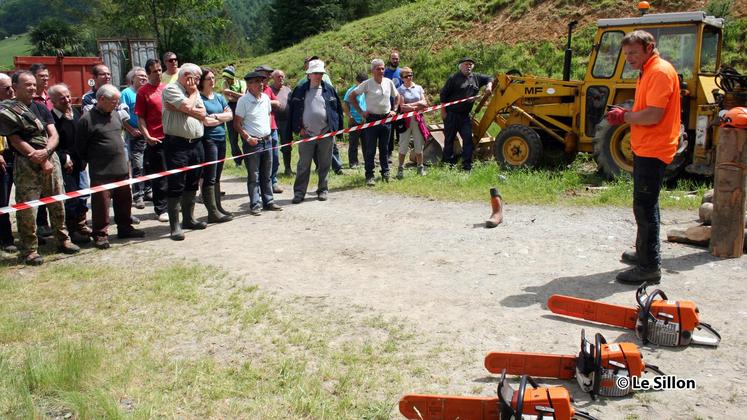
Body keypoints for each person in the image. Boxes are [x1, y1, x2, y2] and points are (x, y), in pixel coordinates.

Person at [609, 30, 681, 285]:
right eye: (626, 54)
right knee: (645, 204)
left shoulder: (659, 72)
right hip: (646, 146)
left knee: (645, 206)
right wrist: (626, 112)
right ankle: (644, 253)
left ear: (649, 48)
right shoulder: (647, 71)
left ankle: (649, 266)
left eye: (634, 53)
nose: (629, 58)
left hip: (654, 147)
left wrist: (625, 117)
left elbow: (653, 115)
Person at [0, 71, 80, 265]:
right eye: (27, 85)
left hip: (50, 159)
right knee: (28, 208)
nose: (32, 88)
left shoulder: (41, 108)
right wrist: (35, 156)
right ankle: (29, 250)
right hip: (26, 163)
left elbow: (54, 134)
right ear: (15, 87)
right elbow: (15, 139)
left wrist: (46, 152)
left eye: (33, 84)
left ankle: (62, 240)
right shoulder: (7, 110)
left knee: (57, 200)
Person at [76, 84, 145, 249]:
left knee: (124, 201)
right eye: (113, 101)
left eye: (117, 101)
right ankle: (100, 234)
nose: (116, 104)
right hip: (101, 171)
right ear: (101, 99)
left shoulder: (115, 115)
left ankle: (125, 228)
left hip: (121, 169)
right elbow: (80, 147)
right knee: (101, 205)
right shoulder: (86, 119)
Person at [161, 63, 208, 240]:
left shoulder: (191, 92)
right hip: (177, 144)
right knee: (176, 184)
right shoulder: (171, 89)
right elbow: (188, 107)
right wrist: (193, 95)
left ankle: (189, 219)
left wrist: (188, 105)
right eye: (197, 78)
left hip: (196, 144)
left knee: (192, 182)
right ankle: (175, 225)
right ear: (187, 75)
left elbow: (203, 113)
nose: (197, 82)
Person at [286, 59, 343, 204]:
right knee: (303, 165)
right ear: (309, 74)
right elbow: (292, 112)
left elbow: (337, 110)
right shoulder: (300, 90)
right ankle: (299, 193)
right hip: (307, 135)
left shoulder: (329, 89)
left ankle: (322, 189)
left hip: (326, 133)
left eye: (321, 73)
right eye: (316, 73)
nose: (318, 76)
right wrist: (298, 129)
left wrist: (336, 129)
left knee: (325, 164)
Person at [234, 71, 282, 216]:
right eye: (257, 81)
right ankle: (255, 204)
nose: (261, 84)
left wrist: (266, 132)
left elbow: (268, 115)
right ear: (249, 84)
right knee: (253, 175)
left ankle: (269, 201)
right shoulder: (243, 101)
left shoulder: (266, 98)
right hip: (252, 143)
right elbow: (237, 124)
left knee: (266, 174)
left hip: (267, 140)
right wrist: (247, 137)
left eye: (262, 81)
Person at [49, 83, 91, 244]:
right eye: (62, 98)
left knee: (83, 195)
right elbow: (52, 144)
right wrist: (64, 157)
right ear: (52, 100)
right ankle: (72, 230)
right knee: (71, 198)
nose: (67, 100)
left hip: (80, 162)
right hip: (65, 165)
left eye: (68, 96)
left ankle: (81, 225)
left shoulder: (75, 112)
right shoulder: (52, 119)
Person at [349, 58, 400, 186]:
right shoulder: (367, 83)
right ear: (372, 70)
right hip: (372, 120)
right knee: (370, 149)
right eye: (378, 69)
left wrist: (394, 109)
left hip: (386, 119)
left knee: (385, 148)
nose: (381, 71)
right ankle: (369, 175)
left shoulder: (389, 82)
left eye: (383, 68)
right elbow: (352, 96)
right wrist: (361, 112)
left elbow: (398, 96)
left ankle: (385, 173)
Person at [439, 57, 493, 171]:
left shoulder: (476, 77)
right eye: (466, 64)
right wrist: (443, 111)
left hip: (465, 116)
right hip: (451, 114)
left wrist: (489, 85)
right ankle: (448, 165)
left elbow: (490, 77)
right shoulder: (453, 78)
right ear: (460, 66)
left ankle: (466, 166)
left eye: (471, 64)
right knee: (449, 140)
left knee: (468, 140)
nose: (468, 66)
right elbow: (443, 94)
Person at [135, 58, 169, 222]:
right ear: (148, 73)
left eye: (160, 70)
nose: (158, 73)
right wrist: (147, 136)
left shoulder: (166, 89)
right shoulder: (143, 92)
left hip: (171, 137)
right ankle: (160, 208)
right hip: (155, 139)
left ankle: (172, 205)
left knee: (172, 174)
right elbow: (140, 118)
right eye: (155, 71)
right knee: (160, 176)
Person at [198, 67, 233, 223]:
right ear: (202, 81)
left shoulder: (219, 97)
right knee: (210, 176)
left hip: (221, 139)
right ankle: (212, 212)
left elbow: (230, 115)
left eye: (213, 78)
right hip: (208, 140)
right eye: (209, 78)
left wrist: (217, 116)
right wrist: (220, 118)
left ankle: (218, 207)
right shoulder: (199, 99)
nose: (212, 80)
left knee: (217, 175)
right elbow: (205, 121)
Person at [121, 66, 148, 209]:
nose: (144, 78)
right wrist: (131, 130)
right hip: (135, 135)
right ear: (132, 79)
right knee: (138, 165)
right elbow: (122, 115)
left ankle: (148, 191)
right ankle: (138, 195)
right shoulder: (126, 93)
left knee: (149, 164)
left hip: (148, 134)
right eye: (141, 76)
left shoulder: (146, 91)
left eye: (145, 76)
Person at [255, 65, 283, 193]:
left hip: (272, 127)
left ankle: (273, 181)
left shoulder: (268, 90)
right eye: (265, 75)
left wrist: (265, 102)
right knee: (262, 159)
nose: (267, 77)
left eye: (268, 75)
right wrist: (267, 102)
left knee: (275, 157)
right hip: (259, 130)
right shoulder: (252, 90)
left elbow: (277, 103)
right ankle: (262, 185)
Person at [396, 67, 429, 178]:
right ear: (402, 78)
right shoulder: (400, 90)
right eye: (406, 76)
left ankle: (420, 167)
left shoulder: (418, 88)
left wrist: (411, 105)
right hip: (405, 122)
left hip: (418, 120)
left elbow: (425, 103)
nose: (409, 77)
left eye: (410, 75)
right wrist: (417, 105)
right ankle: (400, 168)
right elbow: (403, 108)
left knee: (419, 144)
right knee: (403, 145)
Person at [0, 73, 16, 252]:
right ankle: (6, 238)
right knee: (2, 200)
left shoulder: (10, 107)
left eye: (12, 86)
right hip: (1, 159)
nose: (11, 91)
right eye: (6, 88)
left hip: (12, 156)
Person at [270, 69, 293, 175]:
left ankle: (288, 168)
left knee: (287, 146)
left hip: (286, 122)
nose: (281, 78)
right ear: (273, 78)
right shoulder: (269, 90)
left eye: (282, 76)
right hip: (272, 121)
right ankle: (272, 170)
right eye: (278, 76)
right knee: (272, 146)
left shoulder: (288, 90)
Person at [222, 65, 246, 167]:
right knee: (233, 138)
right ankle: (238, 161)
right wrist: (238, 96)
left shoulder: (242, 83)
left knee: (245, 135)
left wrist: (230, 92)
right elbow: (229, 99)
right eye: (225, 78)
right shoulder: (224, 83)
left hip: (242, 111)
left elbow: (243, 96)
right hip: (231, 111)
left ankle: (248, 158)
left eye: (228, 78)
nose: (226, 80)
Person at [342, 72, 367, 169]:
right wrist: (349, 116)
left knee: (366, 143)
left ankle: (367, 160)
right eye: (360, 82)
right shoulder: (351, 91)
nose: (361, 85)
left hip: (365, 120)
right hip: (354, 120)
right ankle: (353, 162)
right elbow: (345, 104)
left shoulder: (365, 91)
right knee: (353, 143)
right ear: (356, 81)